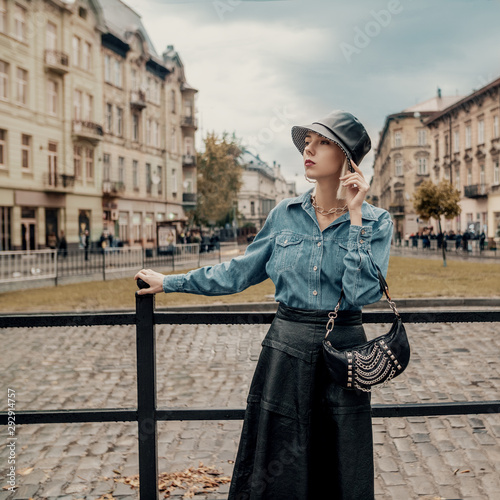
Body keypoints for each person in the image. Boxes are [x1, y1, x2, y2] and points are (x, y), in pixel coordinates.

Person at [134, 110, 393, 499]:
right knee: (279, 467)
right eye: (308, 141)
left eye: (322, 142)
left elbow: (361, 294)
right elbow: (238, 273)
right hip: (284, 355)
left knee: (340, 462)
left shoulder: (377, 222)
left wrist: (355, 217)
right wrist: (171, 282)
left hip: (344, 359)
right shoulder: (284, 216)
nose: (308, 147)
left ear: (348, 159)